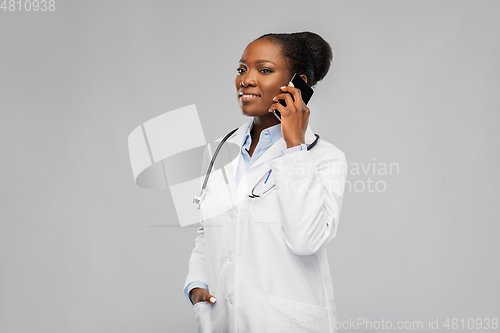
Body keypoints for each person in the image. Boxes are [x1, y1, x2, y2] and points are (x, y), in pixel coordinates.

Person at [184, 31, 347, 333]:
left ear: (298, 86)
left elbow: (306, 240)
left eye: (265, 70)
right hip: (223, 321)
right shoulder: (219, 149)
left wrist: (294, 145)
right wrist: (196, 285)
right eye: (242, 69)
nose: (245, 79)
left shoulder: (324, 158)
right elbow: (208, 231)